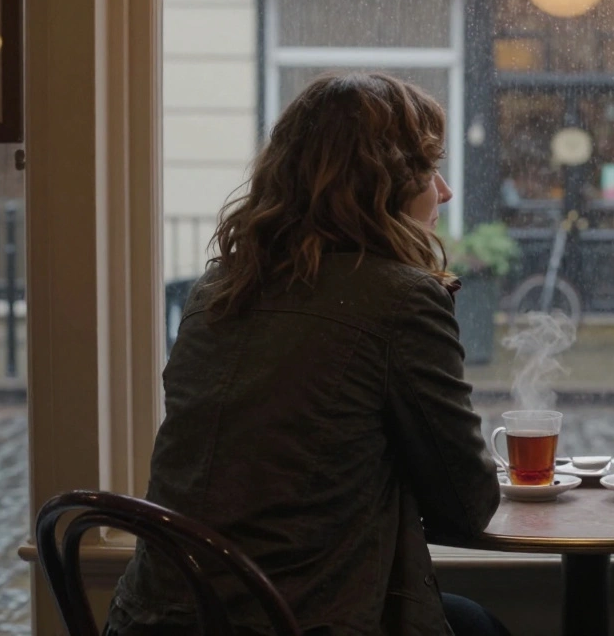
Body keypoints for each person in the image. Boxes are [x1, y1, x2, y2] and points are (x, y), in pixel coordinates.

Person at [105, 73, 509, 636]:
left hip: (152, 620)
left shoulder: (217, 288)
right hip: (289, 623)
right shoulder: (400, 298)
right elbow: (467, 506)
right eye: (426, 168)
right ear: (381, 183)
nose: (443, 190)